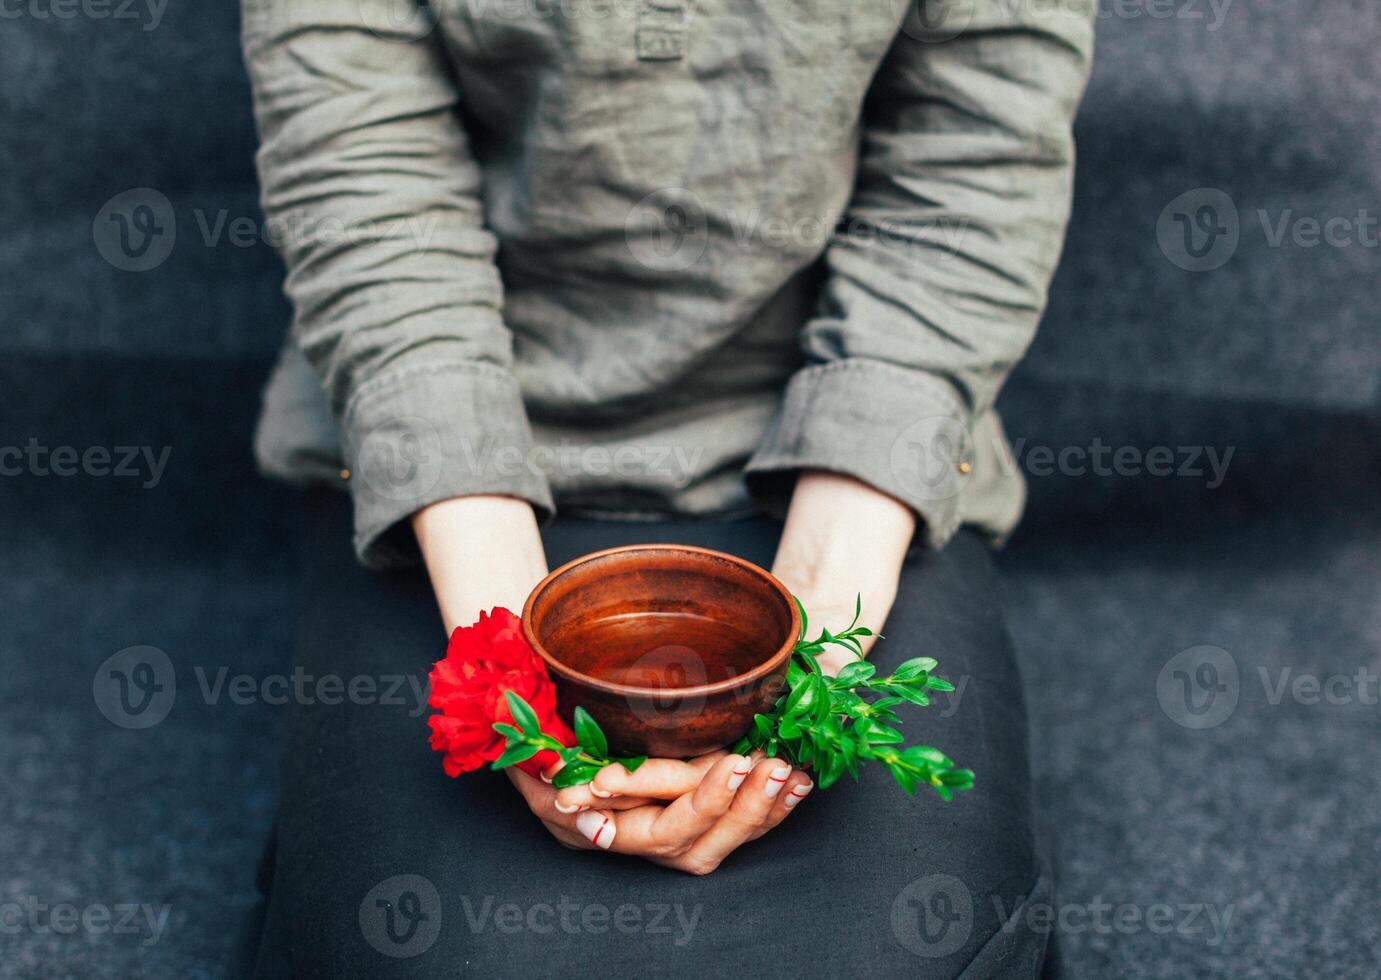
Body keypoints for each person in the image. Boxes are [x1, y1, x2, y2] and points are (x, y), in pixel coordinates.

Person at [241, 0, 1093, 975]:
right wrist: (513, 687)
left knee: (904, 948)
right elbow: (366, 192)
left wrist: (809, 658)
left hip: (852, 462)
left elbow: (972, 175)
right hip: (450, 468)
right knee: (420, 951)